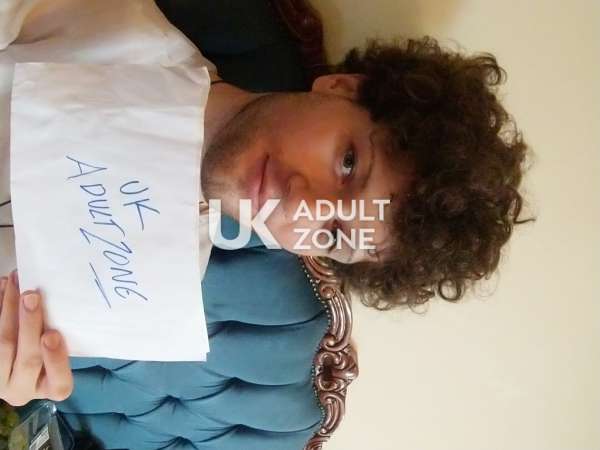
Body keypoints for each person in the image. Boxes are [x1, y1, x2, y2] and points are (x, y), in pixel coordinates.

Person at [0, 0, 529, 412]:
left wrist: (14, 377)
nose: (301, 202)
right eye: (348, 164)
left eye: (334, 233)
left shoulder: (153, 283)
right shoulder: (96, 23)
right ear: (341, 89)